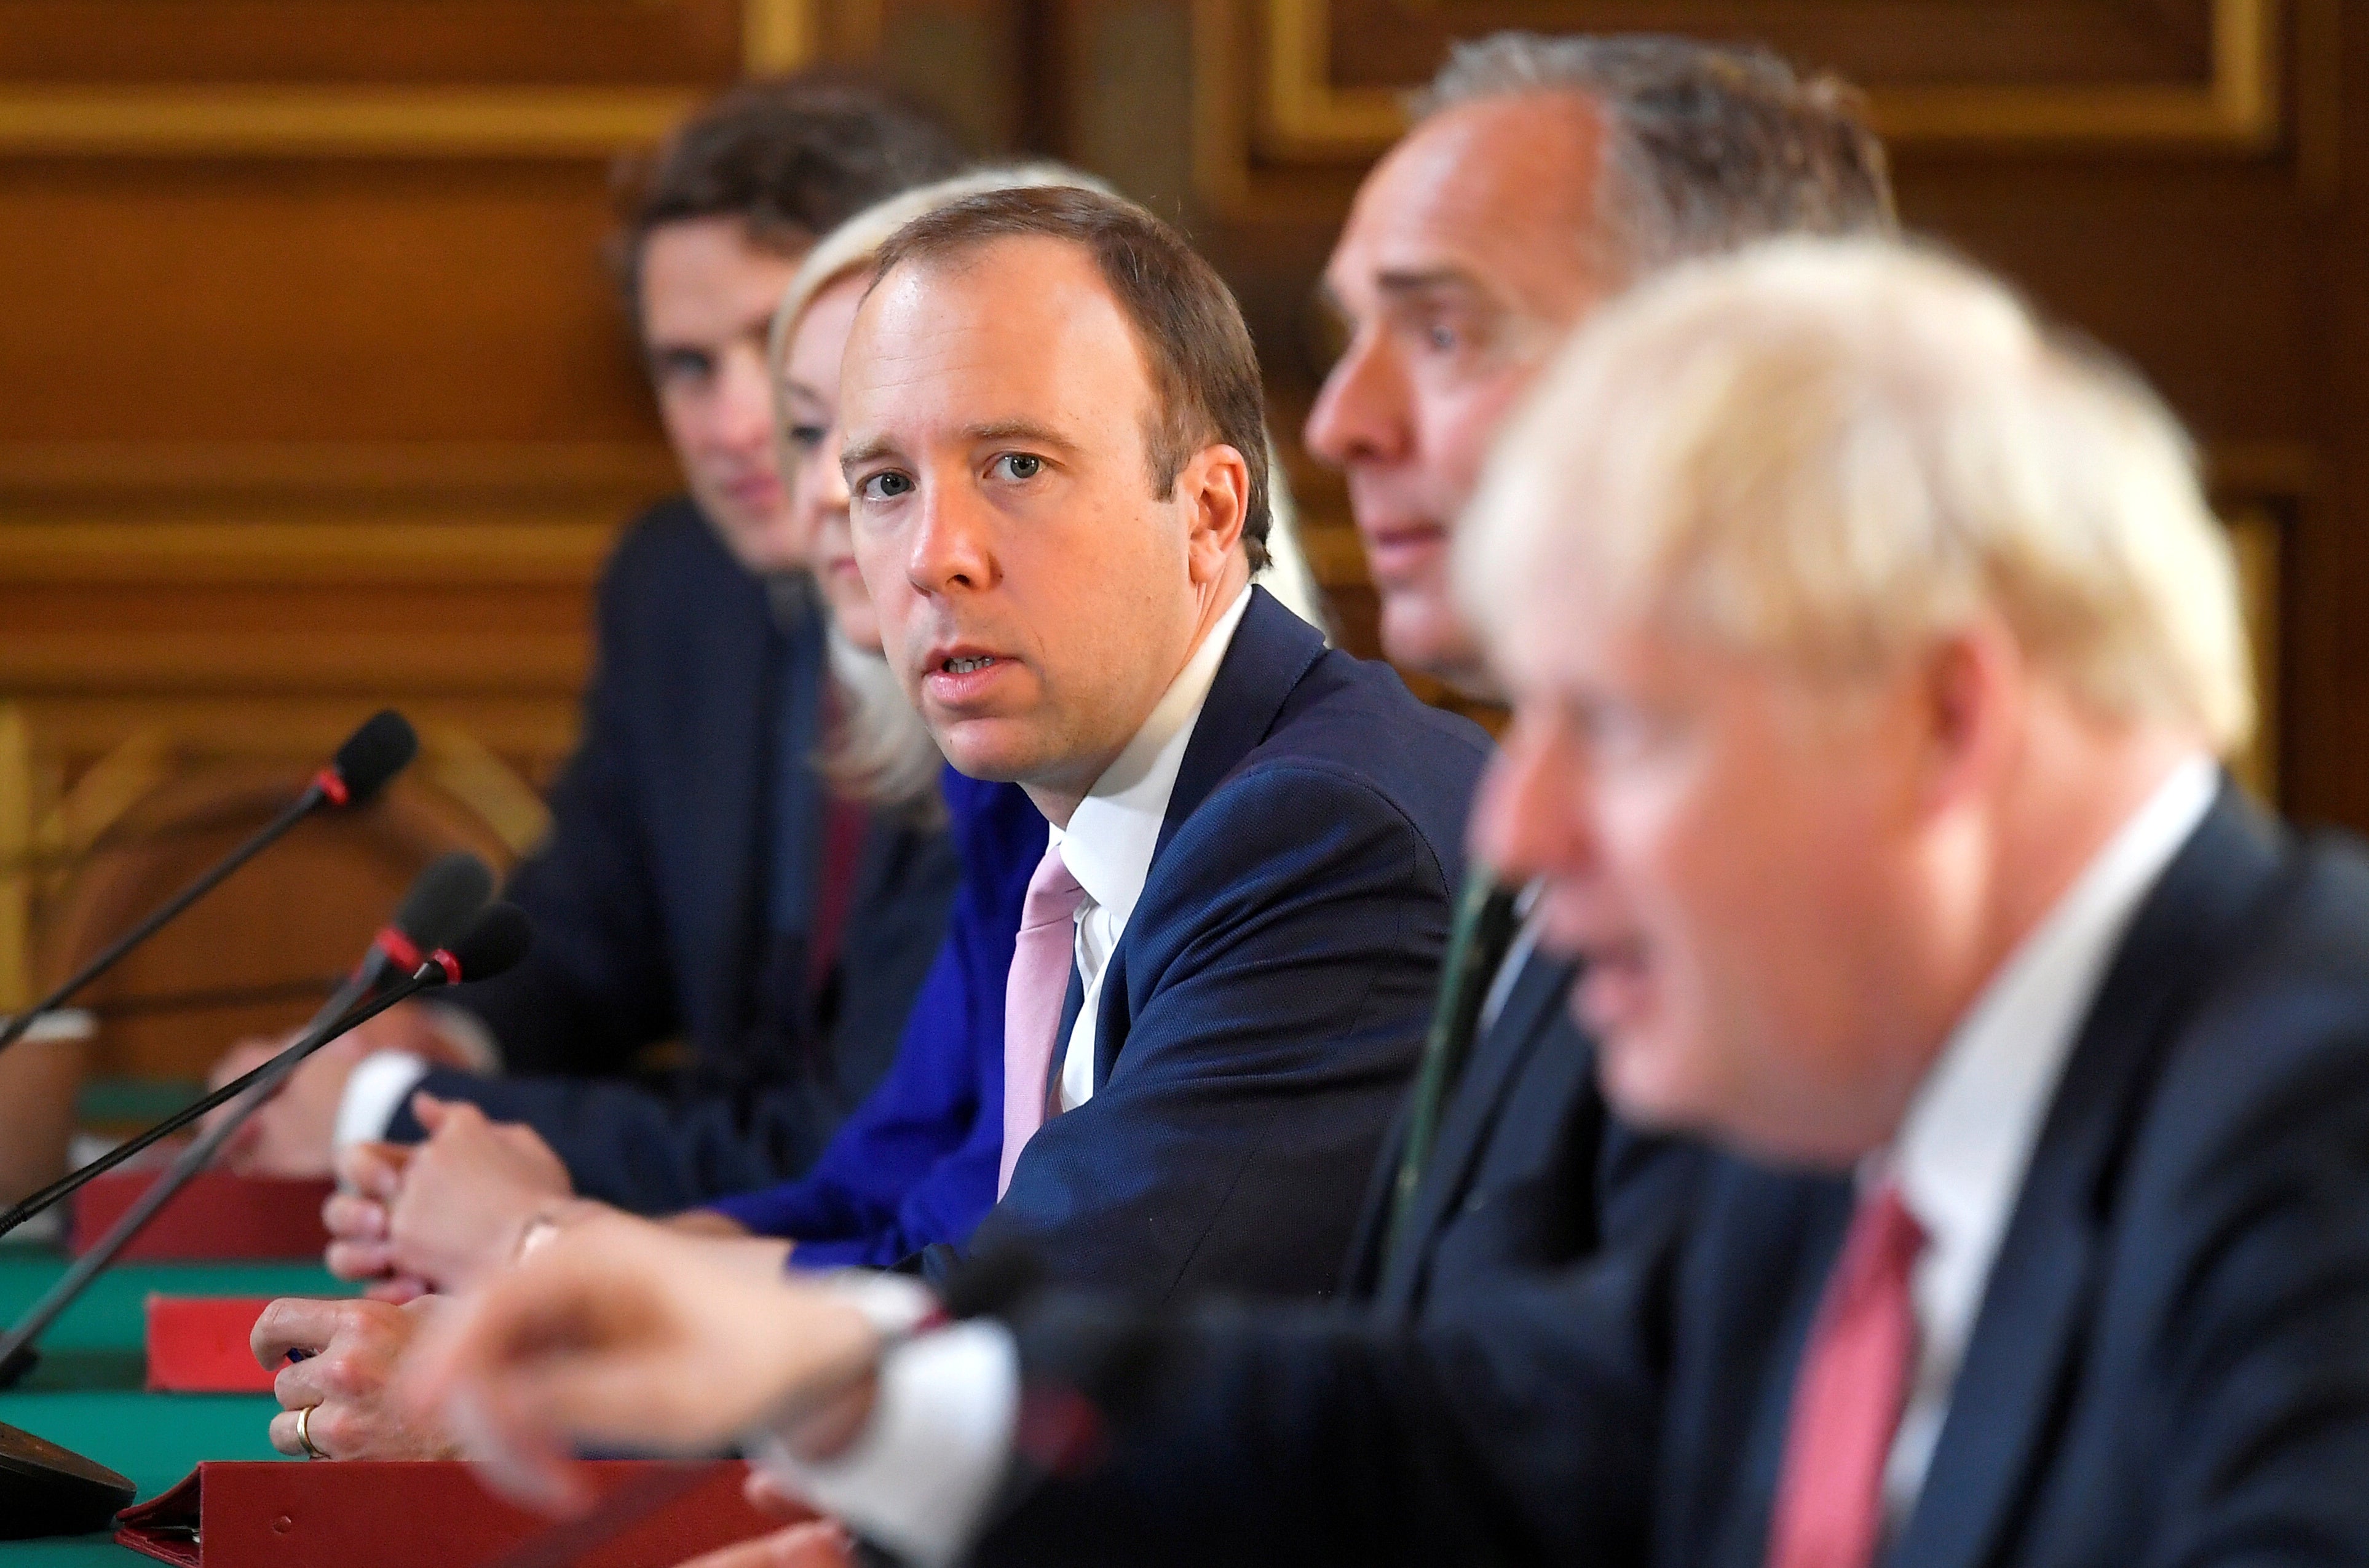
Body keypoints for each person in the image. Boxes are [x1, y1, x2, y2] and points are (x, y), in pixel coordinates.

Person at [400, 237, 2369, 1568]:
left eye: (1619, 724)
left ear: (1944, 717)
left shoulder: (2317, 1112)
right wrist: (838, 1377)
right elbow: (1491, 1429)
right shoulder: (1851, 1108)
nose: (1521, 819)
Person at [210, 79, 974, 1212]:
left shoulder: (988, 630)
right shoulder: (682, 585)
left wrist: (390, 1110)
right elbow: (586, 930)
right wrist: (436, 1033)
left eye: (770, 349)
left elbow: (859, 1139)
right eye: (686, 367)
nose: (730, 424)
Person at [1312, 33, 1891, 1317]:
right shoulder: (1552, 812)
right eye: (1355, 332)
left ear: (1722, 375)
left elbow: (1601, 1454)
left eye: (1444, 330)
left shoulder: (1796, 883)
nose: (1341, 420)